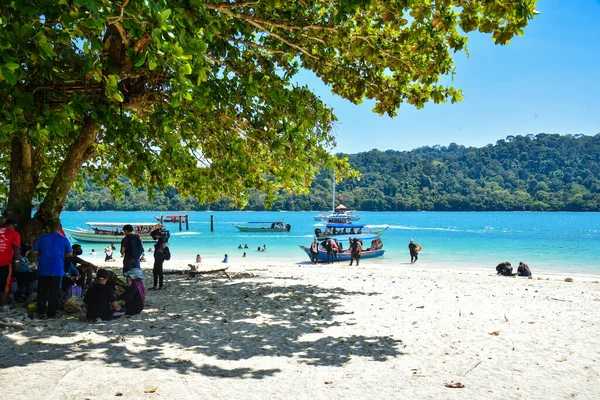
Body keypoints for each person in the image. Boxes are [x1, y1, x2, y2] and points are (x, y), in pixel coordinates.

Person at [32, 222, 73, 318]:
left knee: (42, 291)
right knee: (54, 292)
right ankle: (51, 313)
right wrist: (61, 256)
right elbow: (70, 253)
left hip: (43, 268)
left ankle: (41, 311)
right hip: (57, 269)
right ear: (60, 229)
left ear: (50, 228)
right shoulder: (64, 239)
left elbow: (35, 251)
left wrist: (42, 255)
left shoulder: (42, 238)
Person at [0, 219, 20, 310]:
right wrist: (16, 261)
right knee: (5, 283)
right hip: (4, 262)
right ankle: (2, 304)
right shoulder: (14, 233)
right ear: (13, 225)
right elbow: (16, 248)